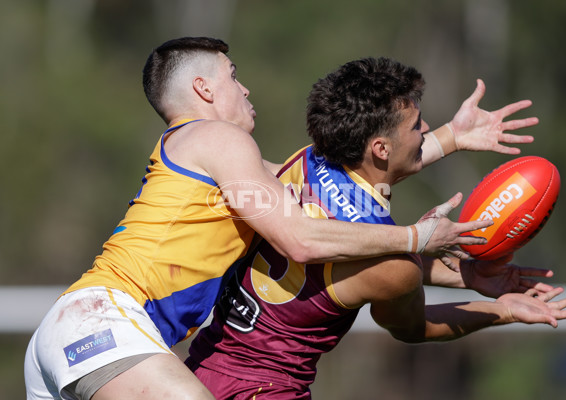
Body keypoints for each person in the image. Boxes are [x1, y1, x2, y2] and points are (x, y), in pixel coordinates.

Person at [23, 36, 511, 400]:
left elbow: (349, 182)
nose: (244, 86)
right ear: (203, 88)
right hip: (102, 323)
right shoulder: (220, 138)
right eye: (233, 75)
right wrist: (416, 236)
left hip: (77, 327)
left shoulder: (213, 156)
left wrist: (450, 137)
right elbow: (301, 237)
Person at [186, 57, 566, 399]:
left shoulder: (309, 161)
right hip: (267, 390)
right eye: (416, 125)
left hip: (199, 369)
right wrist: (503, 311)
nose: (425, 129)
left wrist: (455, 136)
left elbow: (369, 196)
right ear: (380, 148)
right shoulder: (395, 264)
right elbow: (414, 327)